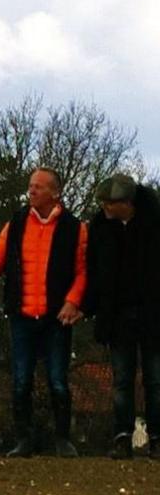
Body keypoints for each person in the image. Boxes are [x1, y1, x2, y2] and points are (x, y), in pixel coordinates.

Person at [0, 167, 89, 458]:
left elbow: (84, 270)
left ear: (55, 193)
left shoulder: (75, 228)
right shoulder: (17, 222)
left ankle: (62, 439)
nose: (32, 191)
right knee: (21, 379)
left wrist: (73, 301)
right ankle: (23, 439)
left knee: (58, 380)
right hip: (22, 313)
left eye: (38, 186)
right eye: (30, 186)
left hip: (56, 317)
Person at [83, 174, 160, 460]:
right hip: (118, 315)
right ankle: (122, 436)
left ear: (126, 204)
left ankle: (156, 437)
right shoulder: (101, 227)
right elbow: (94, 271)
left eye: (109, 203)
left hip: (154, 313)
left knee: (155, 379)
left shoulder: (154, 224)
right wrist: (88, 306)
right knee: (122, 379)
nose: (104, 207)